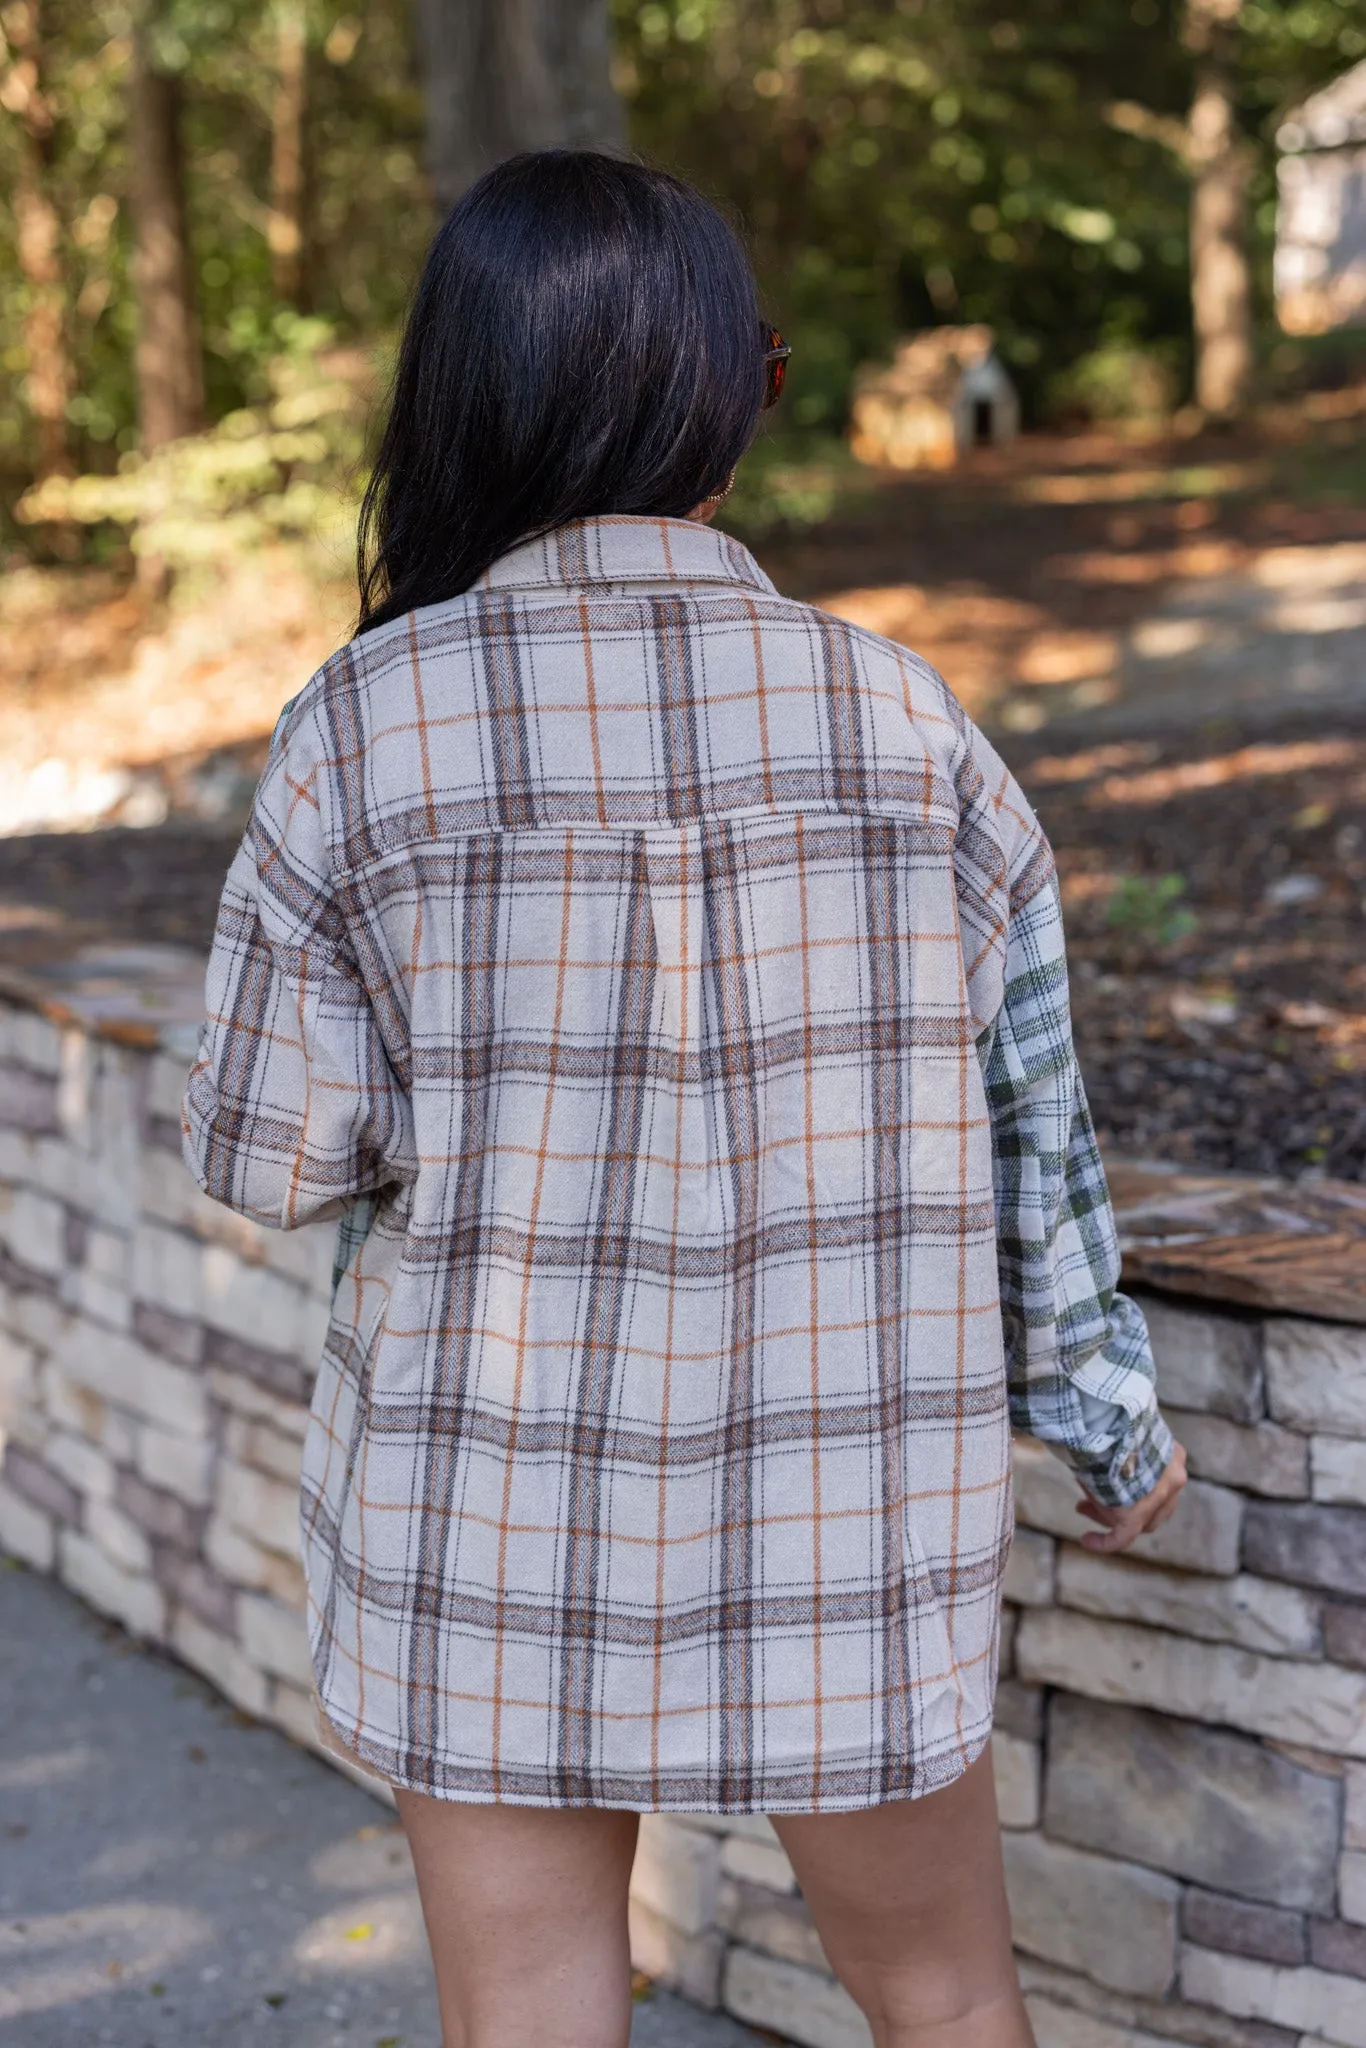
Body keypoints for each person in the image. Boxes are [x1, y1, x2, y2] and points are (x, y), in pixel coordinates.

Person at [184, 150, 1186, 2048]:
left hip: (486, 1505)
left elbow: (268, 1149)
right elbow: (1028, 1139)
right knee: (950, 2000)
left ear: (467, 411)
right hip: (849, 1509)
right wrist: (1108, 1421)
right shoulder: (907, 725)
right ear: (724, 400)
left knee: (539, 2019)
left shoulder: (361, 729)